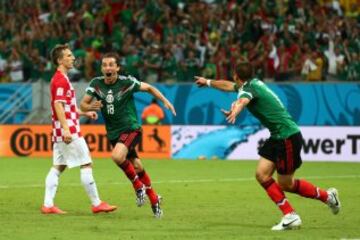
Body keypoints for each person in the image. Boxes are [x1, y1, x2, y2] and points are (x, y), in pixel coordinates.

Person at [194, 62, 341, 230]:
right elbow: (229, 86)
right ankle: (290, 214)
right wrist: (207, 82)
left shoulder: (248, 90)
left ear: (236, 75)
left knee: (286, 183)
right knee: (262, 175)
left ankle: (327, 197)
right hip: (278, 136)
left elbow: (242, 100)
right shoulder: (253, 83)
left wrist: (236, 110)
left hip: (287, 137)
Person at [80, 52, 176, 218]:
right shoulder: (96, 84)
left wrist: (166, 101)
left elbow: (150, 88)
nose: (108, 68)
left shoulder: (127, 82)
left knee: (117, 156)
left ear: (117, 67)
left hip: (131, 128)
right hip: (113, 133)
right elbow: (83, 104)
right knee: (137, 166)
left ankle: (138, 188)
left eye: (111, 64)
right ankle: (154, 199)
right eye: (105, 65)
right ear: (102, 68)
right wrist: (90, 107)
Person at [42, 44, 117, 214]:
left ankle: (47, 205)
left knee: (58, 166)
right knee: (86, 162)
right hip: (69, 131)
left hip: (61, 129)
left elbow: (67, 107)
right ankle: (96, 203)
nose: (73, 58)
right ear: (60, 60)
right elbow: (58, 105)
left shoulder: (61, 78)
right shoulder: (60, 79)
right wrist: (67, 129)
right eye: (68, 55)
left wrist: (85, 112)